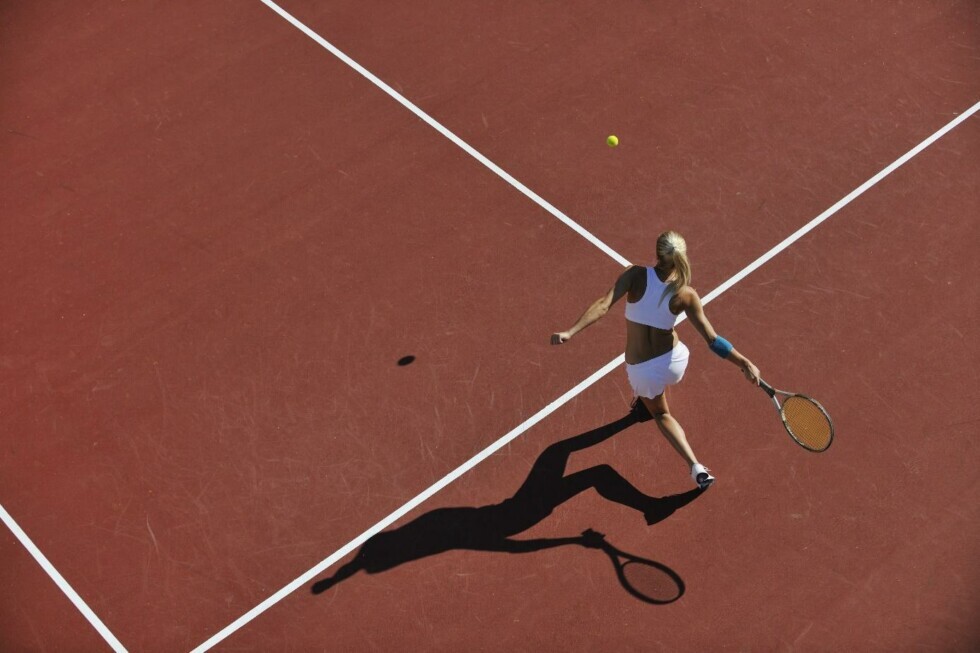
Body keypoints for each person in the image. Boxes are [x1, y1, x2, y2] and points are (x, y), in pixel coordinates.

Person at [551, 230, 760, 489]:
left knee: (661, 414)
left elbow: (603, 305)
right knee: (666, 344)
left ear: (657, 252)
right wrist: (744, 363)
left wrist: (570, 332)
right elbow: (712, 339)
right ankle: (645, 404)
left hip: (644, 372)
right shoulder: (686, 294)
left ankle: (696, 467)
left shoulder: (634, 275)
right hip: (675, 362)